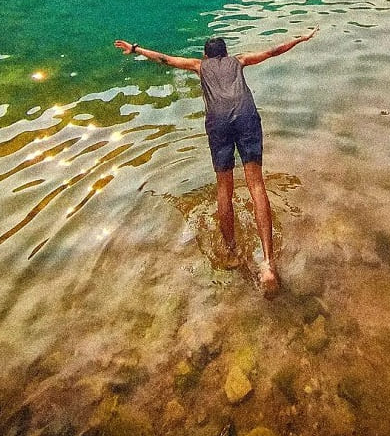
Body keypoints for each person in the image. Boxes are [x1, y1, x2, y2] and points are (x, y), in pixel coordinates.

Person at [114, 27, 318, 294]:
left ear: (205, 55)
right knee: (256, 185)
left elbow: (165, 59)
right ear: (226, 53)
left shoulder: (199, 65)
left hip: (218, 122)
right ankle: (268, 264)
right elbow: (272, 51)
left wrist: (135, 49)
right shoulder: (240, 60)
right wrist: (300, 39)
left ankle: (232, 253)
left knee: (225, 188)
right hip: (246, 118)